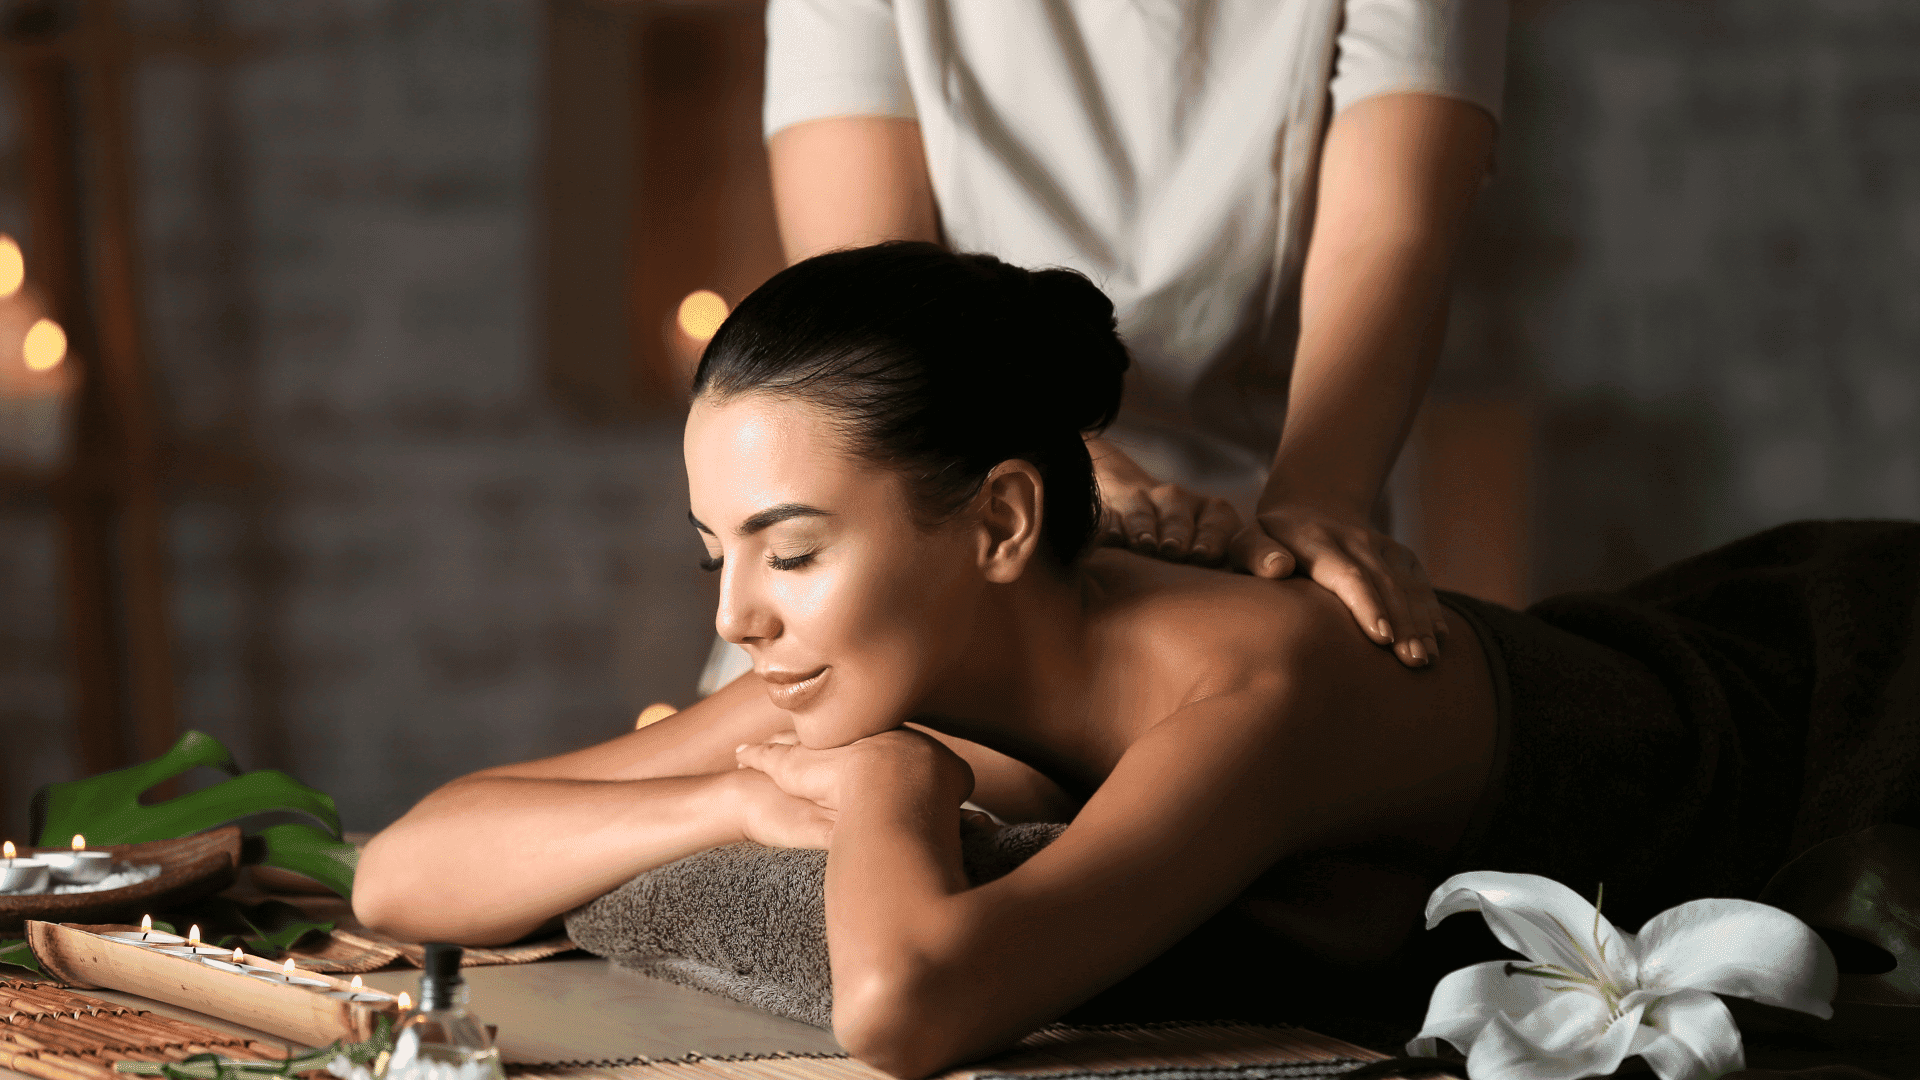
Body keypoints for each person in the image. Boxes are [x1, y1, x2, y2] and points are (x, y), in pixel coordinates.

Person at [353, 247, 1920, 1079]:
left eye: (795, 545)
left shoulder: (1252, 694)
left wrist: (886, 789)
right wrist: (727, 807)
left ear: (1002, 519)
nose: (744, 616)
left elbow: (908, 1012)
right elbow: (408, 869)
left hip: (1839, 710)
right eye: (721, 554)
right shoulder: (845, 656)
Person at [750, 0, 1509, 674]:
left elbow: (1389, 232)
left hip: (1274, 527)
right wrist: (1073, 467)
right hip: (958, 494)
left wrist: (1321, 498)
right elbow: (873, 293)